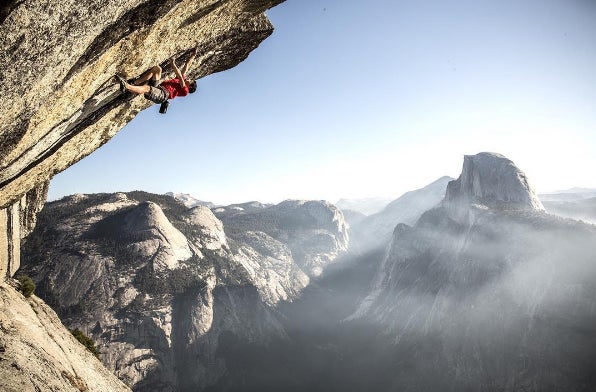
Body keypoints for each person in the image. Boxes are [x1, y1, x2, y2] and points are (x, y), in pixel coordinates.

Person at [115, 49, 198, 104]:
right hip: (159, 87)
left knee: (147, 88)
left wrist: (173, 64)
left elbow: (180, 76)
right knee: (157, 69)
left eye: (190, 80)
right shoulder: (180, 81)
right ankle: (134, 82)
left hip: (163, 95)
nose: (189, 79)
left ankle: (126, 86)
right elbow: (187, 66)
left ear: (190, 86)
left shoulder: (185, 91)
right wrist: (193, 55)